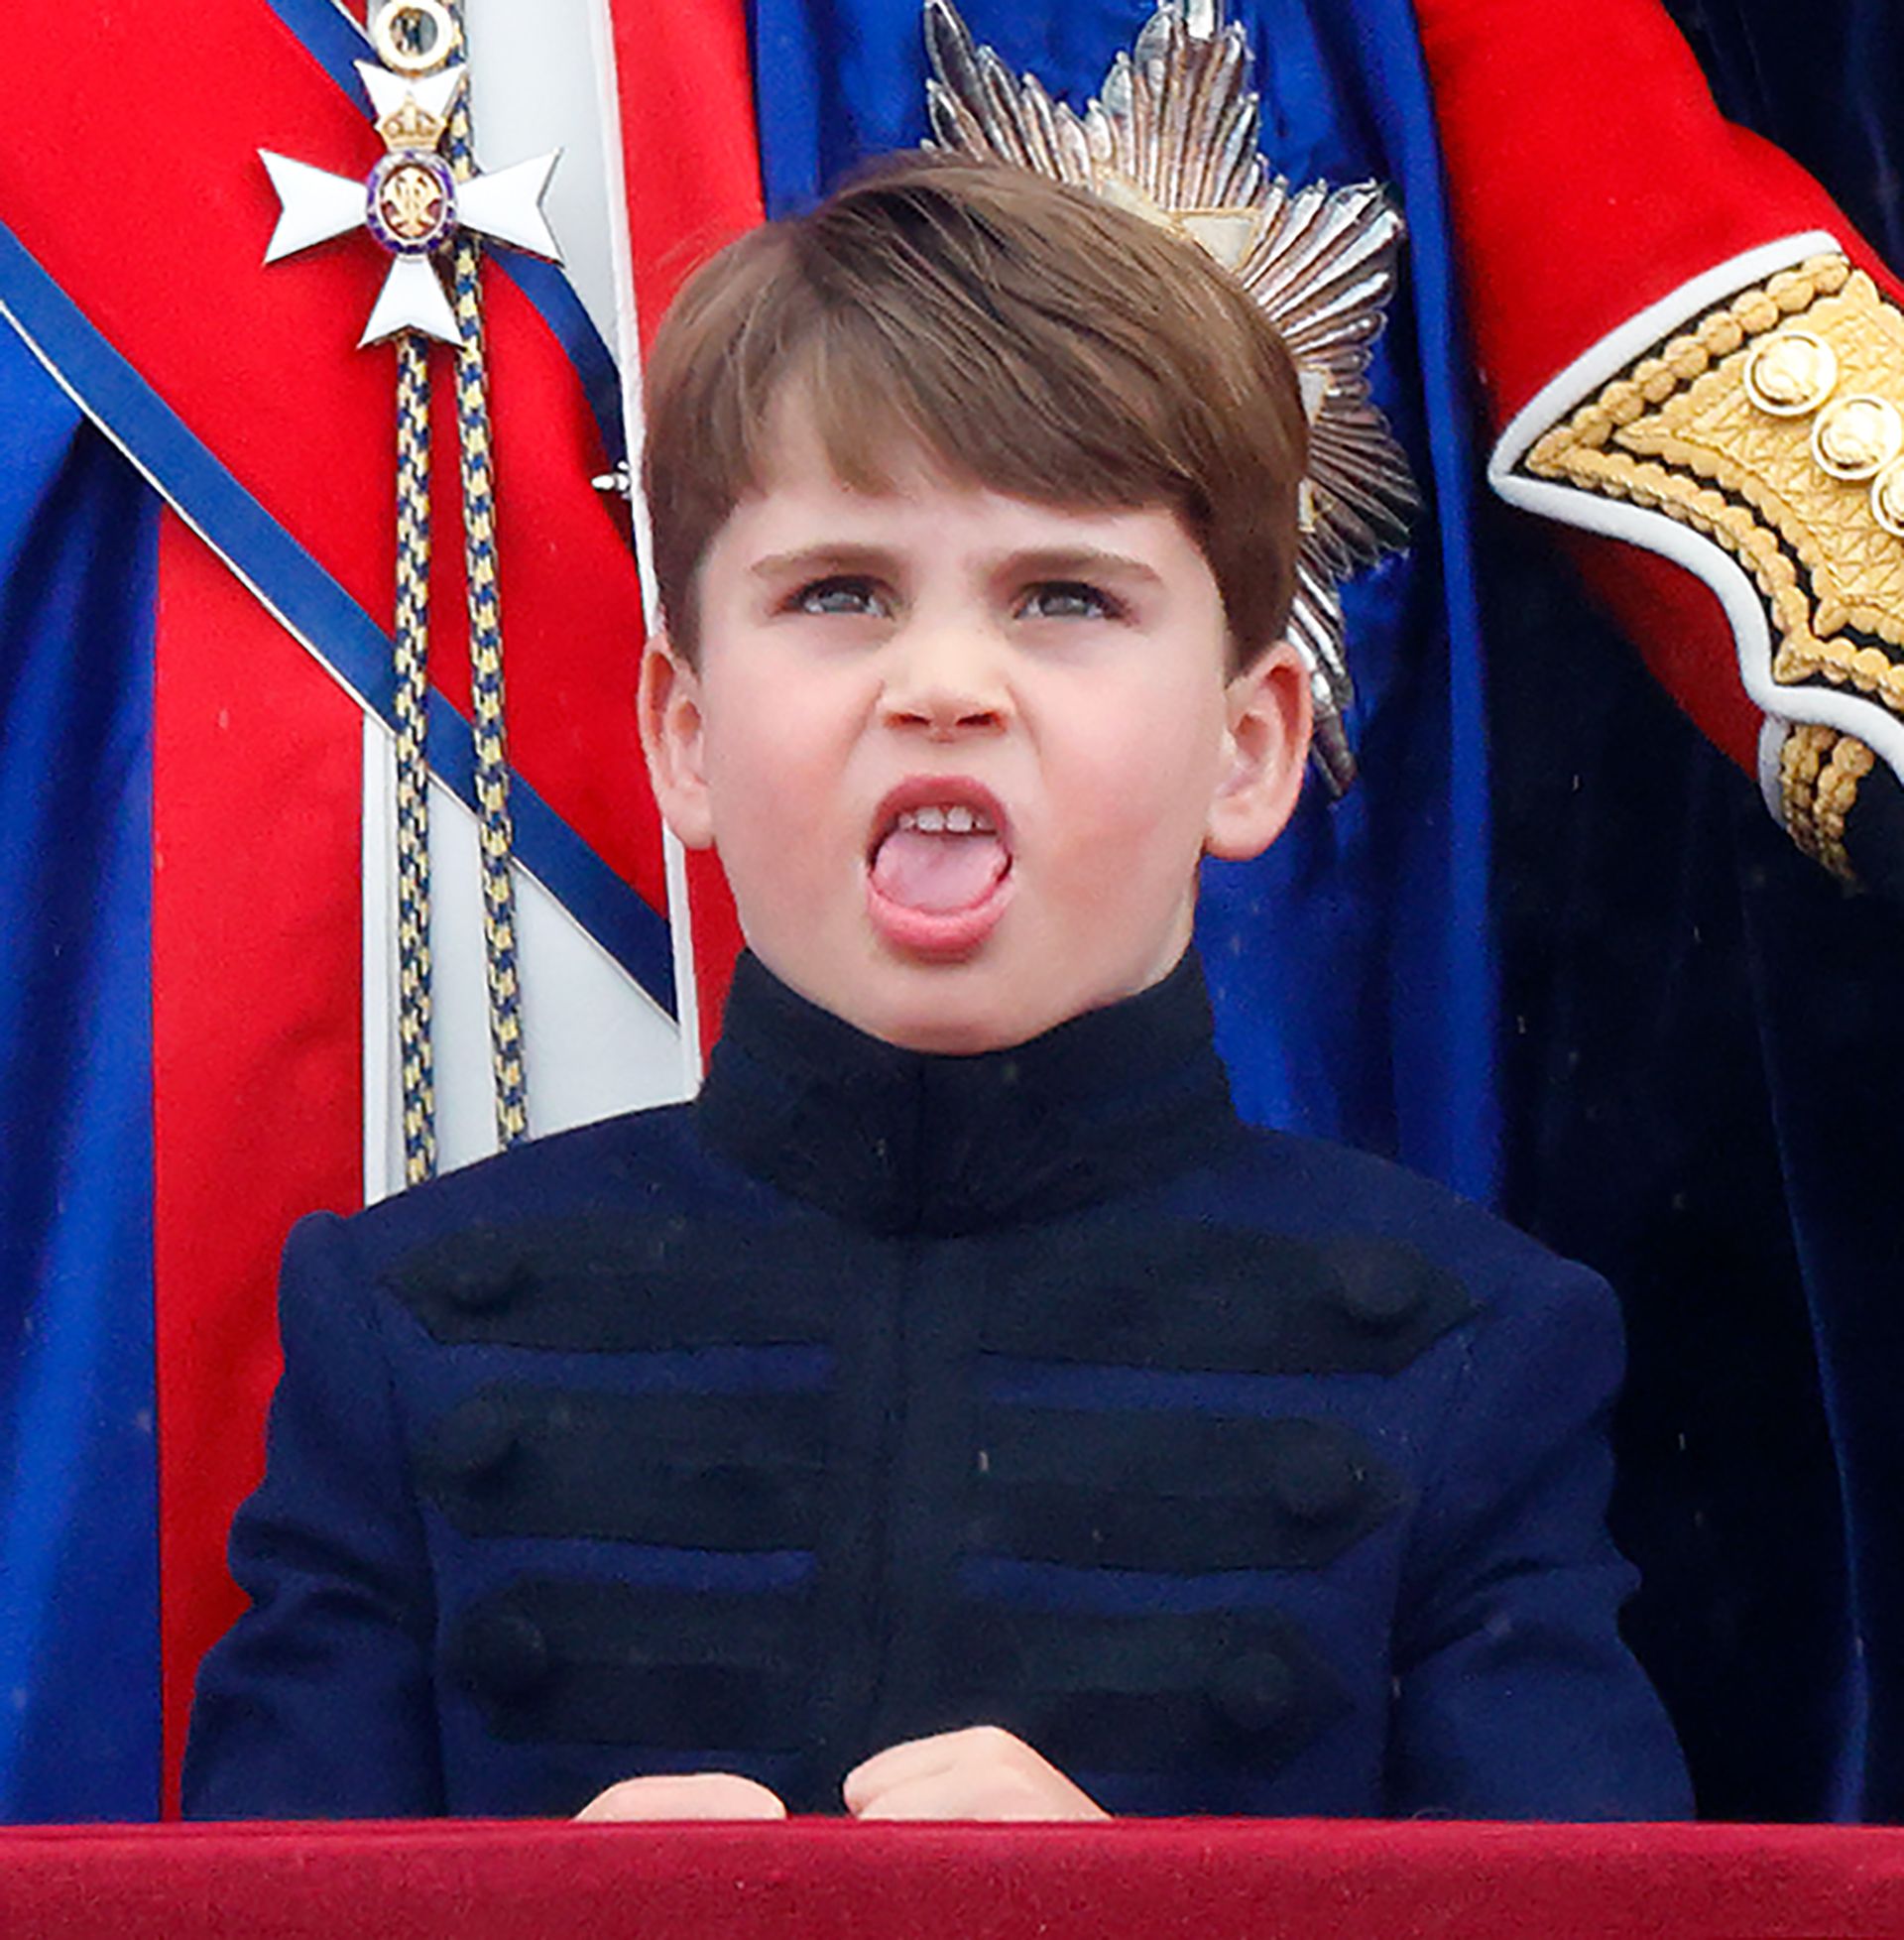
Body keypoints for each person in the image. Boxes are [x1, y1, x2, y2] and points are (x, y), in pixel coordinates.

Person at [183, 154, 1690, 1822]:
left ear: (1249, 746)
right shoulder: (404, 1333)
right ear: (683, 734)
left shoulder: (1472, 1358)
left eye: (1064, 597)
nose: (946, 684)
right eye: (841, 593)